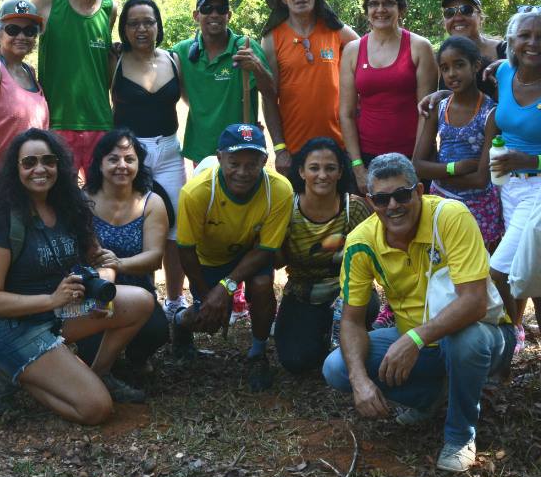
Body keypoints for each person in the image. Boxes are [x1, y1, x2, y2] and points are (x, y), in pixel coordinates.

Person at [322, 153, 515, 472]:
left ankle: (460, 435)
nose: (393, 206)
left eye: (402, 194)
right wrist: (359, 380)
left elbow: (475, 302)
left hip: (484, 334)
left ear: (420, 191)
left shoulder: (450, 216)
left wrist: (413, 339)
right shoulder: (361, 241)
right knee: (338, 368)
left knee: (463, 342)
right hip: (419, 342)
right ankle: (434, 395)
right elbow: (352, 320)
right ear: (371, 202)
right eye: (383, 199)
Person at [0, 129, 155, 423]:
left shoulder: (69, 205)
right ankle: (12, 373)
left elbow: (98, 258)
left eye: (48, 160)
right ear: (15, 168)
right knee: (96, 410)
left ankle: (99, 374)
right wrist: (51, 299)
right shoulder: (1, 216)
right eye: (29, 162)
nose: (39, 169)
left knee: (142, 301)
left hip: (57, 311)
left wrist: (104, 288)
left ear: (59, 165)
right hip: (13, 327)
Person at [455, 7, 541, 373]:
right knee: (539, 277)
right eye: (525, 36)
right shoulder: (502, 72)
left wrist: (529, 162)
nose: (533, 43)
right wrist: (437, 99)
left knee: (499, 273)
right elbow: (467, 90)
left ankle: (502, 349)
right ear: (511, 41)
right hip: (508, 190)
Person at [172, 124, 293, 392]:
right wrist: (208, 298)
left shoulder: (280, 190)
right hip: (208, 259)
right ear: (219, 157)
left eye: (252, 163)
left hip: (251, 254)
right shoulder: (196, 192)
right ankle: (180, 321)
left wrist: (226, 287)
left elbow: (266, 249)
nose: (242, 172)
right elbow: (186, 249)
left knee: (262, 287)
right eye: (234, 162)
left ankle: (258, 354)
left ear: (265, 160)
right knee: (208, 316)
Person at [111, 0, 188, 319]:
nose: (142, 28)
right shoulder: (113, 61)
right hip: (128, 156)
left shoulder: (173, 59)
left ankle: (174, 302)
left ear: (159, 25)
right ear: (124, 29)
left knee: (174, 230)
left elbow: (196, 102)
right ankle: (139, 298)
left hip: (170, 151)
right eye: (134, 23)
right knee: (132, 227)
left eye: (149, 21)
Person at [273, 137, 377, 375]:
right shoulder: (287, 207)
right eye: (314, 168)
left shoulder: (356, 208)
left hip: (348, 294)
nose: (322, 175)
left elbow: (372, 261)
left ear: (341, 172)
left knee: (368, 303)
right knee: (295, 361)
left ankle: (350, 336)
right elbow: (279, 263)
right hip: (302, 293)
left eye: (330, 168)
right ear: (301, 171)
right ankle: (326, 339)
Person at [77, 130, 170, 372]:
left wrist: (118, 264)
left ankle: (137, 357)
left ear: (139, 164)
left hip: (138, 294)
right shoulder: (82, 201)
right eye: (113, 159)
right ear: (99, 163)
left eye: (129, 159)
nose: (122, 166)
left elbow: (154, 258)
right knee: (90, 354)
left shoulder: (152, 202)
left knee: (157, 332)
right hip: (90, 294)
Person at [339, 0, 438, 194]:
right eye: (373, 4)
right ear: (366, 9)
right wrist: (357, 167)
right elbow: (345, 113)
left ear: (401, 8)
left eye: (388, 3)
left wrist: (416, 164)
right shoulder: (353, 50)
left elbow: (428, 112)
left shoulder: (419, 47)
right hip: (368, 158)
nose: (380, 10)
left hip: (412, 155)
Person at [260, 0, 359, 176]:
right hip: (295, 151)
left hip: (340, 147)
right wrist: (280, 148)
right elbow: (269, 97)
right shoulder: (271, 39)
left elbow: (364, 59)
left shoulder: (336, 30)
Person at [31, 0, 120, 173]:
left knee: (99, 198)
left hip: (100, 121)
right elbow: (15, 38)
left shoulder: (110, 9)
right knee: (59, 199)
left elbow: (102, 66)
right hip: (57, 121)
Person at [412, 37, 503, 252]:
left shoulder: (490, 113)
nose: (452, 74)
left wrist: (436, 172)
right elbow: (417, 165)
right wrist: (456, 168)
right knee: (443, 271)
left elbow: (481, 180)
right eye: (445, 68)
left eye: (459, 65)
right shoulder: (438, 108)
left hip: (479, 208)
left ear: (476, 66)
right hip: (440, 203)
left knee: (480, 272)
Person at [172, 0, 277, 167]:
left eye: (221, 9)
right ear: (196, 15)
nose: (214, 14)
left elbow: (271, 93)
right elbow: (152, 62)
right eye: (207, 9)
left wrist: (257, 66)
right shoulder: (182, 52)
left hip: (242, 151)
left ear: (229, 15)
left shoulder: (245, 47)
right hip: (202, 150)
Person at [0, 0, 49, 168]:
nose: (21, 36)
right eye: (13, 30)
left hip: (30, 178)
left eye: (29, 31)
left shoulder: (29, 70)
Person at [440, 0, 506, 99]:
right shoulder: (444, 57)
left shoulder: (504, 50)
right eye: (449, 12)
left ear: (481, 18)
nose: (458, 18)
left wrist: (505, 64)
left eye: (466, 10)